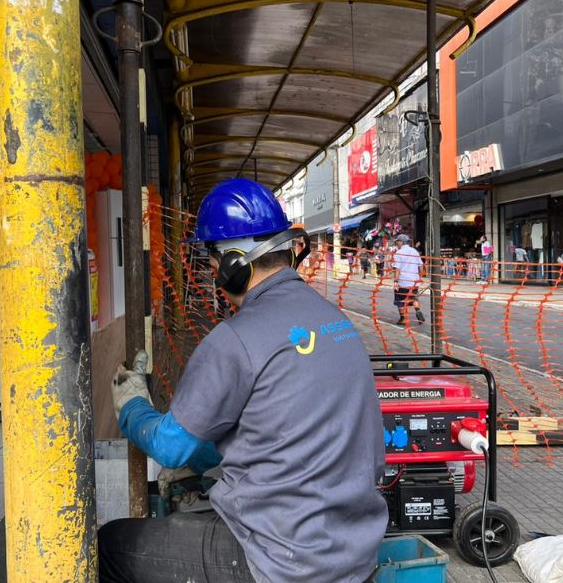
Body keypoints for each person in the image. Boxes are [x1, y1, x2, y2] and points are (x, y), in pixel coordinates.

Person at [101, 179, 388, 583]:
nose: (214, 274)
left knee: (111, 545)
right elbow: (286, 435)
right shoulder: (338, 323)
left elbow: (169, 445)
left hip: (279, 560)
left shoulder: (235, 339)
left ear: (234, 265)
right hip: (354, 551)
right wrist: (205, 461)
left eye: (213, 263)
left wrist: (132, 406)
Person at [392, 233, 425, 325]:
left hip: (403, 281)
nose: (397, 243)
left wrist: (395, 281)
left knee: (400, 300)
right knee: (414, 298)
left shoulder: (398, 253)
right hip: (414, 281)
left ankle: (403, 319)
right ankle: (418, 310)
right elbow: (421, 265)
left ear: (401, 242)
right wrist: (420, 277)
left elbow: (397, 268)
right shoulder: (415, 251)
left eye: (397, 241)